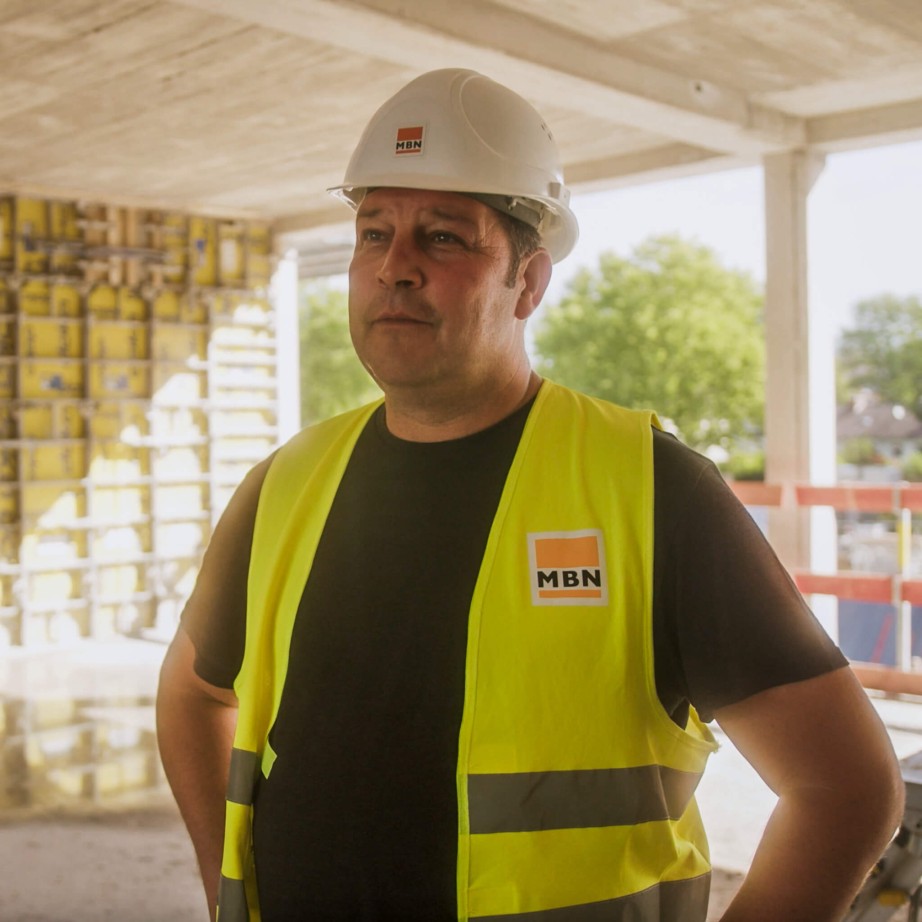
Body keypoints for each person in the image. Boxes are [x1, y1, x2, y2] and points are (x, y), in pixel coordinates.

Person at [156, 68, 903, 922]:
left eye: (442, 237)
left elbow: (846, 789)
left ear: (529, 281)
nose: (394, 268)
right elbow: (193, 694)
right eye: (373, 233)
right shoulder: (286, 482)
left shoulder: (651, 490)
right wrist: (228, 889)